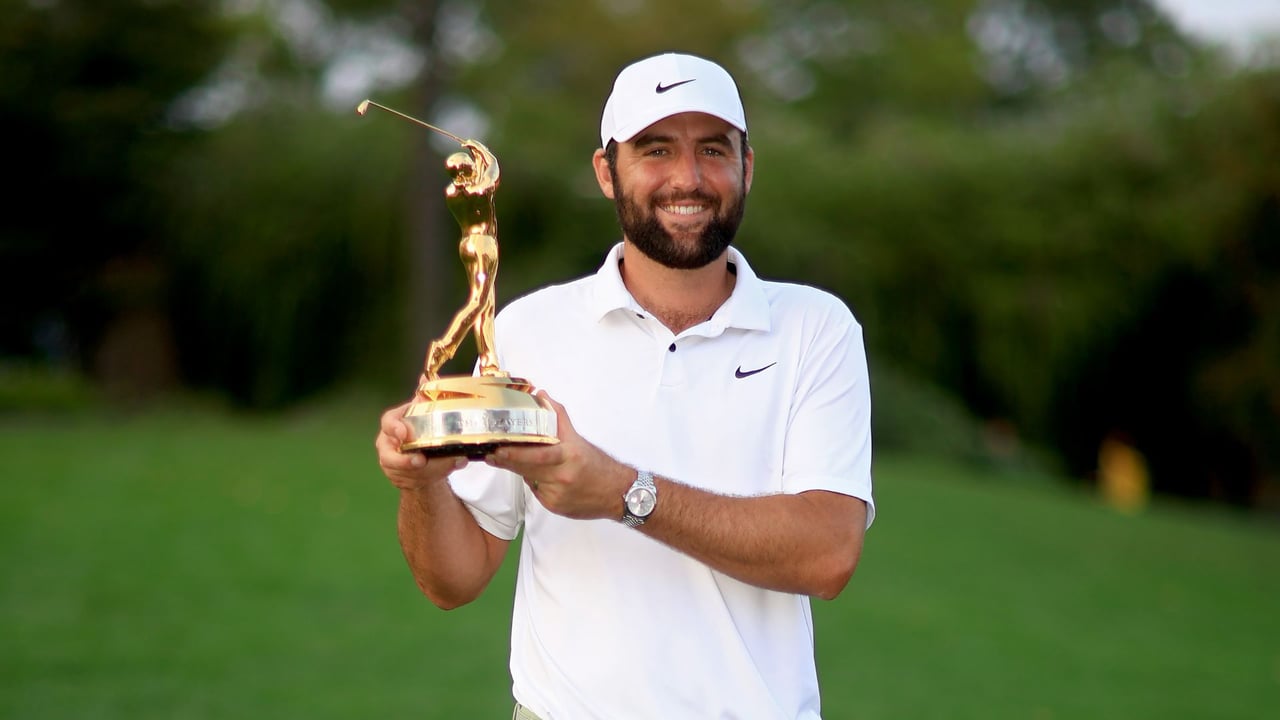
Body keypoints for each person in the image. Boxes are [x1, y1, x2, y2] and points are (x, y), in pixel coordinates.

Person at [375, 51, 875, 720]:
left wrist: (621, 493)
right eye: (656, 150)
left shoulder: (816, 327)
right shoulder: (531, 329)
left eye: (714, 150)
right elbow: (453, 580)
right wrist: (423, 485)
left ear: (747, 166)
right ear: (606, 173)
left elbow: (828, 553)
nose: (689, 178)